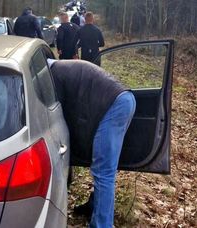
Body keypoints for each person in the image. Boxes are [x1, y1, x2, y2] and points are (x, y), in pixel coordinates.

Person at [48, 59, 136, 228]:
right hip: (122, 99)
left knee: (104, 172)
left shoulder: (54, 75)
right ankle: (95, 206)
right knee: (104, 169)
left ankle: (102, 224)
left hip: (115, 105)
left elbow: (56, 114)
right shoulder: (61, 68)